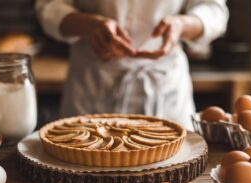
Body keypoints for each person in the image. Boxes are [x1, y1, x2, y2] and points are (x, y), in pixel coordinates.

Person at [36, 0, 228, 129]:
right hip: (93, 85)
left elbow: (213, 9)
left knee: (171, 171)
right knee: (84, 175)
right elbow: (49, 6)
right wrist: (90, 25)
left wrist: (182, 25)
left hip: (164, 87)